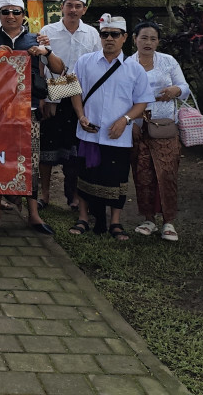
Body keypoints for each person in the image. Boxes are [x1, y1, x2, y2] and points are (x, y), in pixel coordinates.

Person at [0, 0, 64, 232]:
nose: (11, 16)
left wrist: (46, 51)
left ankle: (33, 215)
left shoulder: (37, 39)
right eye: (6, 12)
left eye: (16, 12)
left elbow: (59, 70)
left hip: (28, 111)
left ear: (24, 15)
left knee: (29, 162)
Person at [69, 14, 152, 240]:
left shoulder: (134, 69)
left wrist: (125, 120)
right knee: (86, 175)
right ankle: (84, 217)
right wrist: (80, 116)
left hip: (118, 135)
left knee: (116, 179)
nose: (109, 39)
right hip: (89, 132)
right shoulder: (85, 62)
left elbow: (142, 101)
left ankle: (115, 222)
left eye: (115, 34)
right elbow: (75, 90)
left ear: (125, 38)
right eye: (105, 34)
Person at [38, 0, 102, 210]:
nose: (73, 10)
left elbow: (96, 66)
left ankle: (73, 194)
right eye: (69, 5)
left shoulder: (93, 34)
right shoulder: (48, 31)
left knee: (73, 150)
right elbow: (41, 65)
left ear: (84, 9)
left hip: (81, 97)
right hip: (54, 95)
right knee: (47, 149)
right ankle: (44, 194)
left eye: (78, 6)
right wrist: (44, 98)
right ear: (62, 7)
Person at [130, 21, 190, 242]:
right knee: (142, 173)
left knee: (167, 174)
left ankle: (168, 222)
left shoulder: (168, 62)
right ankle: (148, 219)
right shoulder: (127, 64)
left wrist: (176, 90)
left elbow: (184, 87)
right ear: (134, 39)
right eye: (143, 38)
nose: (148, 42)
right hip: (139, 127)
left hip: (165, 126)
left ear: (158, 42)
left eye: (153, 39)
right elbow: (124, 98)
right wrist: (131, 125)